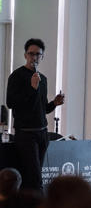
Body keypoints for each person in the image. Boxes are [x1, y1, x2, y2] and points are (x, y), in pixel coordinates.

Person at [6, 38, 65, 191]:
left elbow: (42, 109)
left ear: (42, 57)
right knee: (34, 178)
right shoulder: (16, 76)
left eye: (38, 54)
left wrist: (54, 103)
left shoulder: (42, 79)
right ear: (25, 55)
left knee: (35, 175)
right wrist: (32, 88)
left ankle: (30, 207)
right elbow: (11, 103)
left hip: (42, 133)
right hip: (25, 134)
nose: (34, 57)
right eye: (31, 54)